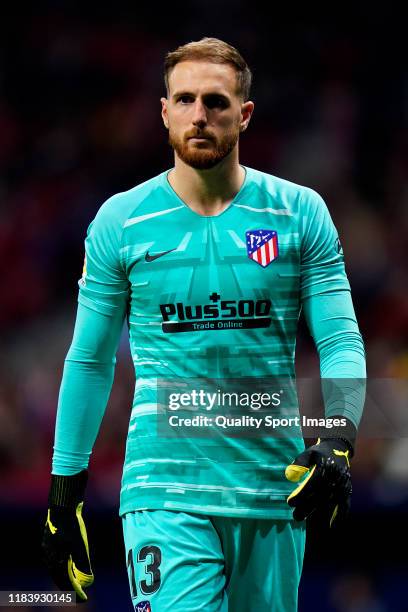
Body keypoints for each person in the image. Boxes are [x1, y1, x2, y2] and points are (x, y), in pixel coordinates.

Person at [41, 37, 366, 611]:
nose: (199, 115)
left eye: (215, 102)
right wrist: (65, 491)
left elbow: (340, 340)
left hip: (272, 487)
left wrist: (337, 438)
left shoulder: (299, 212)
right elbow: (89, 361)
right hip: (162, 489)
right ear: (164, 111)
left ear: (244, 115)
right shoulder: (122, 221)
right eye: (185, 100)